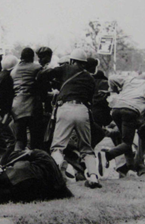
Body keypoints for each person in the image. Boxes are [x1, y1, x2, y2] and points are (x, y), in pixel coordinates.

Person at [37, 48, 101, 188]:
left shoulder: (65, 69)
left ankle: (58, 172)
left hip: (65, 108)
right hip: (83, 110)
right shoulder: (90, 77)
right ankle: (94, 176)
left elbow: (43, 75)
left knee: (57, 147)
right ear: (84, 63)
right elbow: (91, 99)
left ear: (71, 60)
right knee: (86, 148)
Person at [104, 73, 145, 176]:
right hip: (130, 112)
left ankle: (130, 165)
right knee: (127, 143)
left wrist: (114, 91)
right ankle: (107, 155)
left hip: (115, 109)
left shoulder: (129, 81)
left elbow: (111, 77)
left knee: (125, 140)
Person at [10, 48, 43, 150]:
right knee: (35, 138)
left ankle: (17, 159)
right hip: (32, 107)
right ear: (32, 57)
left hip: (16, 107)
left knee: (19, 138)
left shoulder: (13, 71)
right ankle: (34, 161)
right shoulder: (37, 67)